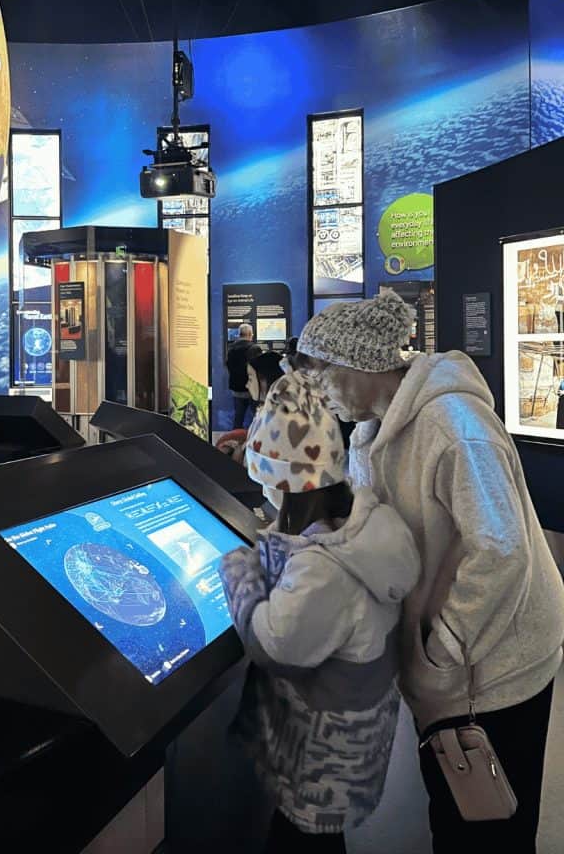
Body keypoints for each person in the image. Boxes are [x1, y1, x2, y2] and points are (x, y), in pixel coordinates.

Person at [295, 291, 564, 852]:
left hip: (496, 666)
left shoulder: (453, 426)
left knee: (487, 821)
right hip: (450, 665)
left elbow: (501, 553)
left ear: (363, 364)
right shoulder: (373, 431)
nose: (316, 390)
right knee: (454, 811)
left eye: (322, 374)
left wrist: (442, 652)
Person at [220, 368, 420, 851]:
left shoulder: (323, 569)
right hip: (356, 746)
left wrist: (239, 571)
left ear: (282, 484)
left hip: (319, 762)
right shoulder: (364, 525)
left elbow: (275, 643)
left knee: (302, 842)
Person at [227, 323, 256, 429]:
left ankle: (235, 442)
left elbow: (229, 366)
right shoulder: (254, 348)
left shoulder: (231, 349)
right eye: (251, 334)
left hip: (237, 389)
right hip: (252, 390)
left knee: (238, 418)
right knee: (257, 417)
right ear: (249, 334)